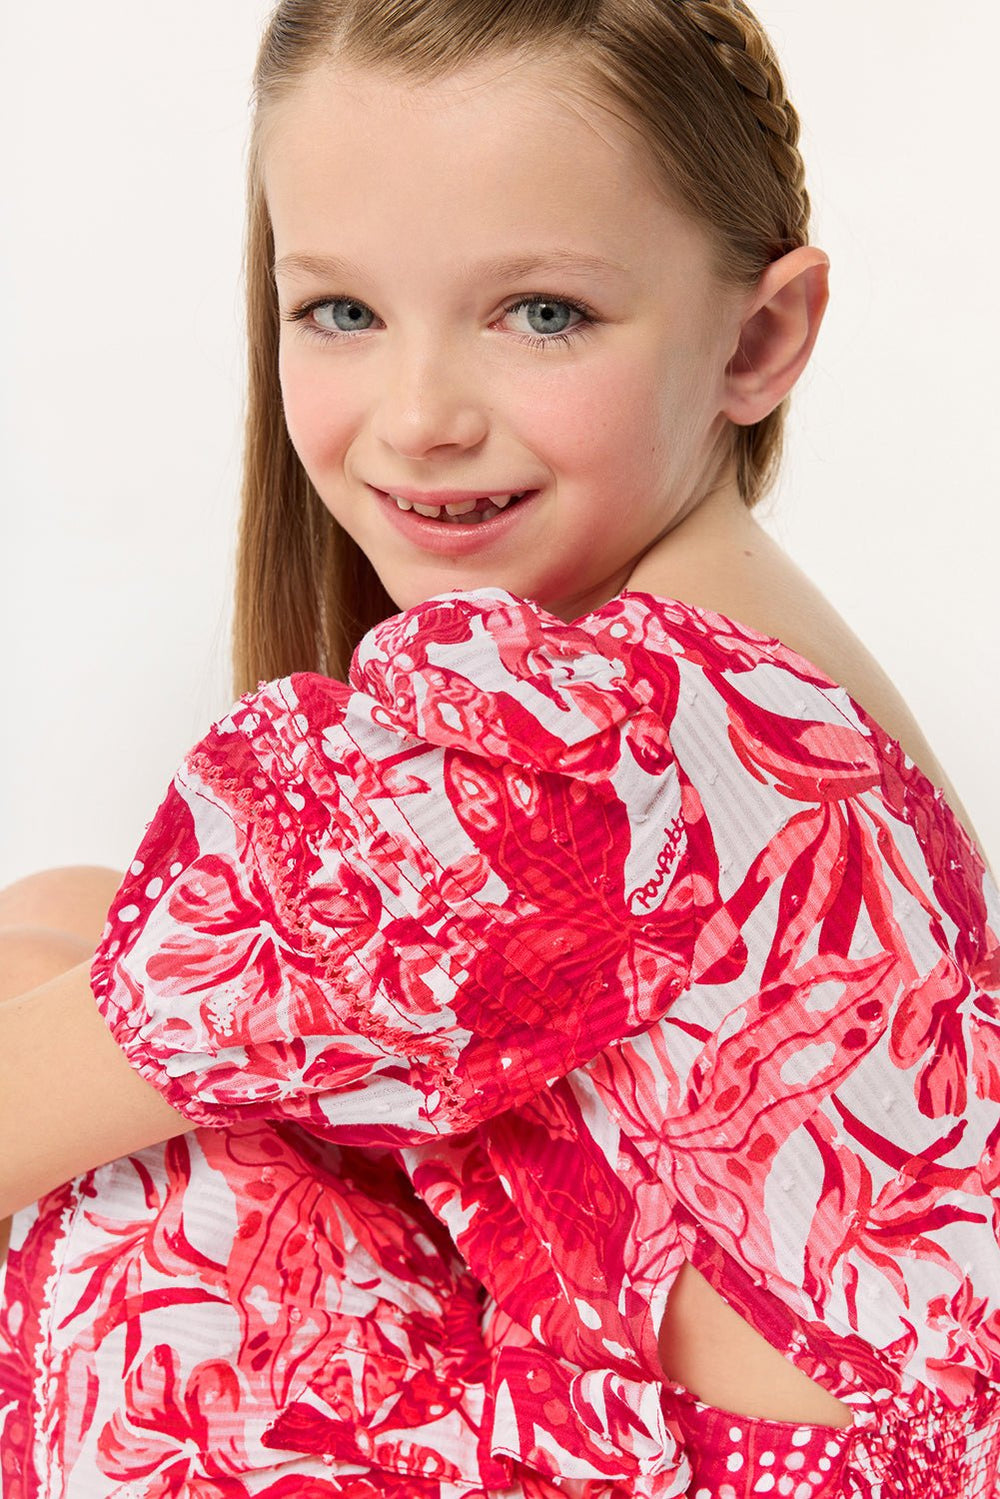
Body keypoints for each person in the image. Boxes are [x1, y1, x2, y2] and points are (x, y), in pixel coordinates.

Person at [2, 0, 999, 1495]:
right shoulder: (740, 641)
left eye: (542, 314)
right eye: (343, 312)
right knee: (73, 919)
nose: (419, 419)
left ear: (760, 337)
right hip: (780, 1420)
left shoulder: (582, 739)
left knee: (78, 1111)